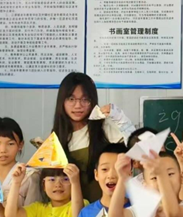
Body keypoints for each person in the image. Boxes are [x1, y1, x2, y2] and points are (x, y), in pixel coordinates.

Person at [52, 72, 135, 202]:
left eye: (85, 99)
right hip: (73, 212)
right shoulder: (56, 137)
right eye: (71, 99)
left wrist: (120, 117)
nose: (78, 105)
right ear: (62, 101)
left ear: (93, 101)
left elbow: (137, 149)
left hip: (111, 207)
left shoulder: (105, 127)